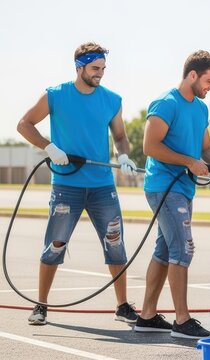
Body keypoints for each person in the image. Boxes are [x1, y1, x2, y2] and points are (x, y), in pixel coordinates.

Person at [16, 42, 139, 326]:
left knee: (115, 244)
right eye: (95, 68)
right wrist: (49, 148)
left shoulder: (111, 99)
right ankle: (40, 305)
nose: (100, 74)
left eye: (103, 69)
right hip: (66, 186)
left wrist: (123, 155)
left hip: (102, 187)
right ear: (79, 67)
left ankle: (122, 306)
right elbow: (24, 124)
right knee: (55, 245)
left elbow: (120, 135)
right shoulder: (56, 95)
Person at [133, 50, 210, 339]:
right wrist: (188, 161)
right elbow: (150, 146)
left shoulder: (198, 109)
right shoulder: (166, 103)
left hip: (183, 188)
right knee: (183, 249)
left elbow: (205, 148)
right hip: (163, 187)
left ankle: (146, 316)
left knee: (165, 250)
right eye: (209, 81)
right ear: (192, 75)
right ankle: (182, 321)